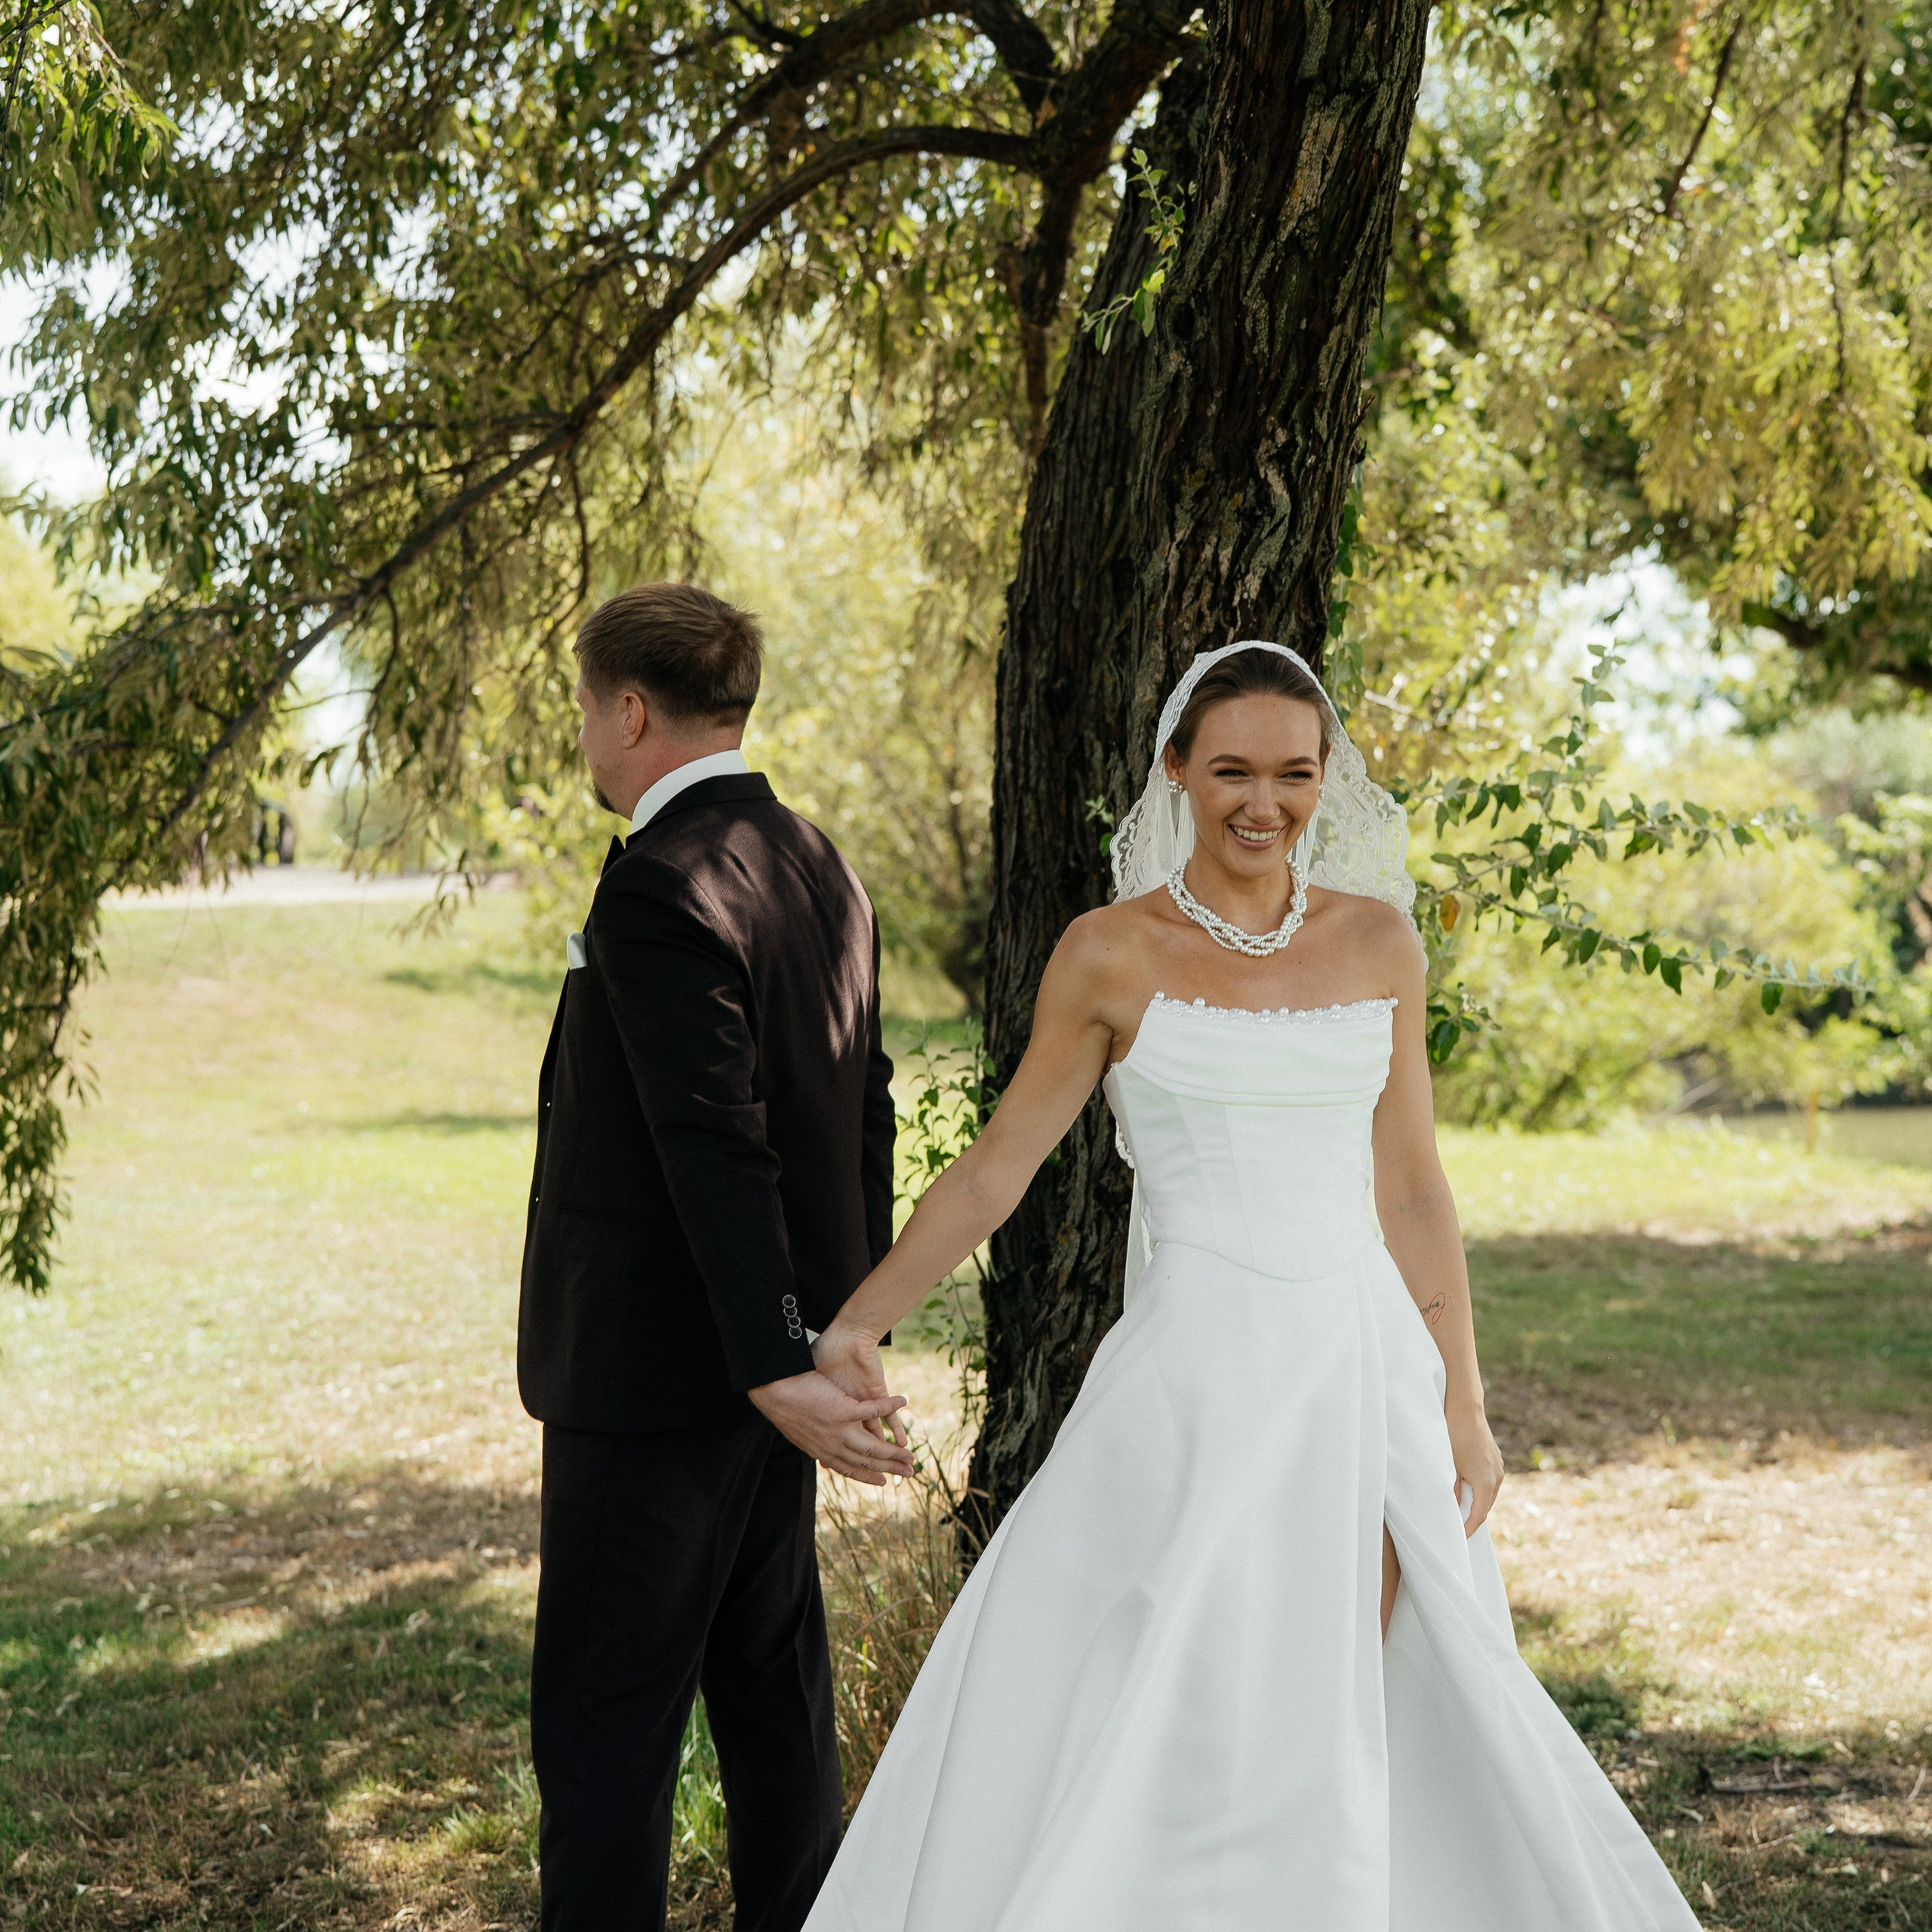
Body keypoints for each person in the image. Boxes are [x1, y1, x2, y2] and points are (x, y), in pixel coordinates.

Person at [801, 641, 1703, 1930]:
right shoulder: (1111, 955)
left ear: (1325, 779)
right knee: (1167, 1676)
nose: (1261, 803)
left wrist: (1463, 1406)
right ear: (1177, 771)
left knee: (1373, 1679)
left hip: (1361, 1369)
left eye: (1292, 773)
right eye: (1230, 770)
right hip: (1195, 1378)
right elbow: (997, 1173)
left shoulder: (1382, 943)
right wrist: (857, 1320)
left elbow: (1413, 1195)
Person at [517, 583, 915, 1932]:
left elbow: (714, 1145)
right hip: (779, 1363)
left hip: (665, 1377)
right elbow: (869, 1101)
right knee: (771, 1692)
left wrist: (772, 1361)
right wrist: (836, 1334)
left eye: (587, 710)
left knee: (604, 1731)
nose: (587, 736)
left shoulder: (658, 882)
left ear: (629, 709)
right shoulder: (820, 864)